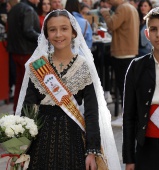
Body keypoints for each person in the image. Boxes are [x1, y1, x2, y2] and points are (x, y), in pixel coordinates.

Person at [15, 9, 121, 170]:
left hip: (73, 138)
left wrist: (92, 151)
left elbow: (92, 112)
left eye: (64, 29)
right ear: (46, 34)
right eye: (53, 30)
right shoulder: (38, 66)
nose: (58, 34)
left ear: (73, 32)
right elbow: (28, 107)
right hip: (41, 138)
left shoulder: (84, 67)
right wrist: (20, 145)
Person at [123, 6, 159, 170]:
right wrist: (129, 158)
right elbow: (128, 116)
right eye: (154, 29)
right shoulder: (136, 67)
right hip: (145, 148)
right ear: (146, 34)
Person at [101, 0, 139, 126]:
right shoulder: (131, 7)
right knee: (126, 86)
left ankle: (126, 117)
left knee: (123, 86)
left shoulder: (122, 8)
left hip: (122, 53)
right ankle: (128, 116)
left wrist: (106, 13)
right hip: (129, 51)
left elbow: (112, 24)